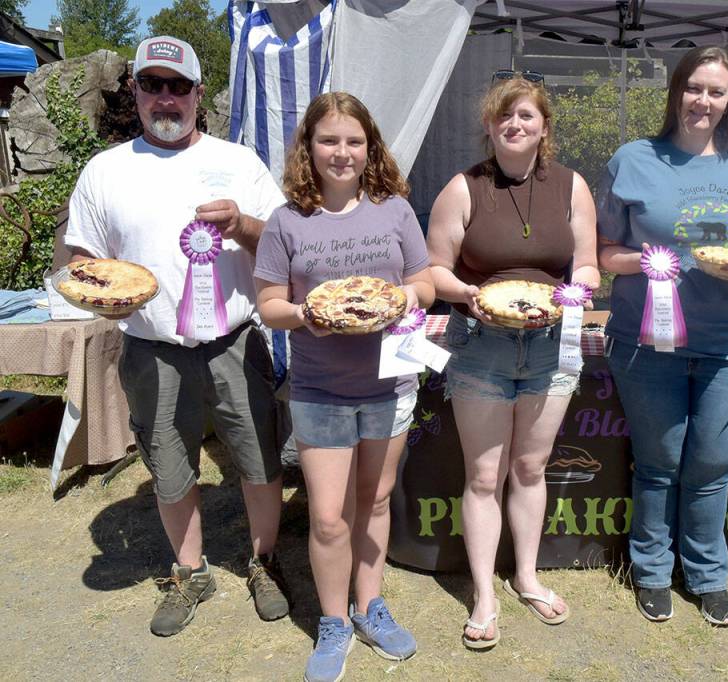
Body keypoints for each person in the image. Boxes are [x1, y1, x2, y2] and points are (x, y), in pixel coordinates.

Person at [64, 36, 290, 636]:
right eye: (152, 85)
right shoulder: (105, 170)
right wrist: (94, 289)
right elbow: (78, 254)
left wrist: (241, 223)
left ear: (196, 95)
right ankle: (190, 572)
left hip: (235, 343)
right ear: (134, 92)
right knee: (168, 466)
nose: (166, 98)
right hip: (150, 348)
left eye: (178, 86)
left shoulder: (239, 161)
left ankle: (263, 563)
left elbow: (286, 244)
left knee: (260, 462)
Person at [596, 46, 728, 625]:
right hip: (646, 340)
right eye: (694, 88)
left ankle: (706, 574)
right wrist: (658, 262)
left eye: (717, 91)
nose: (703, 101)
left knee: (712, 465)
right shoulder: (633, 159)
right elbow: (604, 252)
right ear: (676, 92)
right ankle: (652, 570)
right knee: (657, 461)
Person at [254, 92, 434, 680]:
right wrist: (309, 313)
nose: (342, 152)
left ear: (369, 147)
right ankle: (334, 621)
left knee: (376, 500)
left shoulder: (395, 210)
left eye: (354, 141)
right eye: (329, 140)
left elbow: (423, 283)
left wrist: (405, 299)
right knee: (330, 516)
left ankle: (369, 605)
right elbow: (269, 303)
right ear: (309, 146)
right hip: (320, 387)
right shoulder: (287, 220)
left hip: (389, 382)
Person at [426, 72, 599, 649]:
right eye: (505, 116)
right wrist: (467, 295)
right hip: (481, 344)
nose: (515, 124)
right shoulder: (462, 188)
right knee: (482, 475)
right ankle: (484, 594)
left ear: (544, 126)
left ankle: (525, 576)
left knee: (530, 468)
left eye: (526, 116)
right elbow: (437, 269)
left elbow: (589, 264)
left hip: (552, 346)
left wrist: (581, 290)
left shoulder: (572, 186)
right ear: (489, 125)